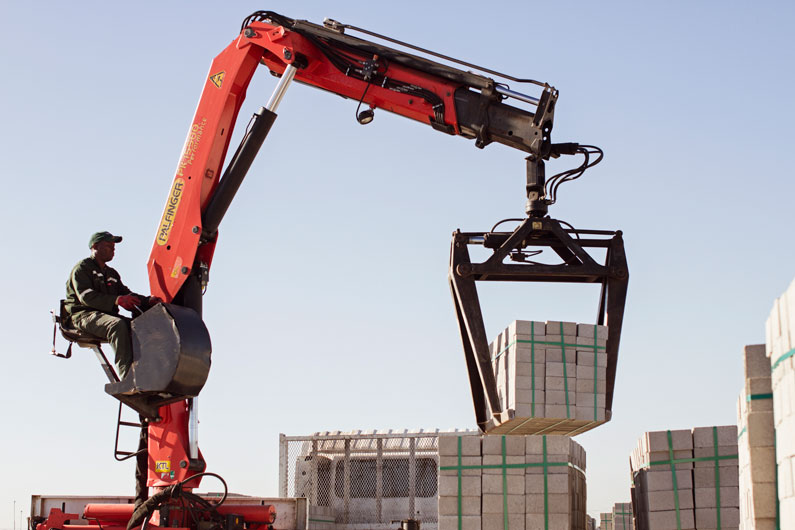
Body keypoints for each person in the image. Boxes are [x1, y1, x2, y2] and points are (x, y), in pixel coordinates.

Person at [64, 231, 161, 379]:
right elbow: (87, 297)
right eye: (109, 245)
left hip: (105, 316)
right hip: (83, 316)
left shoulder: (111, 274)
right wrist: (117, 300)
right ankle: (128, 378)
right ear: (95, 246)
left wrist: (147, 301)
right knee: (117, 326)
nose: (113, 249)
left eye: (114, 246)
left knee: (140, 327)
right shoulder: (83, 268)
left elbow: (126, 294)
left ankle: (147, 375)